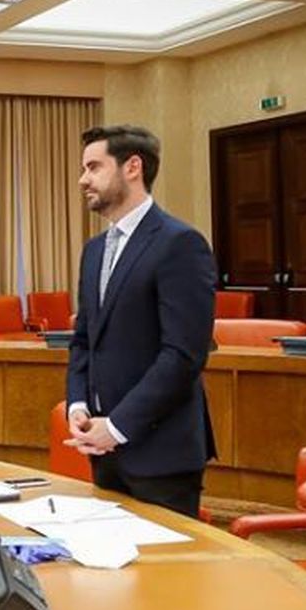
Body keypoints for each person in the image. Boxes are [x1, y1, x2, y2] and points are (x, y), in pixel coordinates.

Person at [63, 125, 216, 518]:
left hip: (161, 452)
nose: (83, 179)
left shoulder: (180, 243)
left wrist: (116, 427)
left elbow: (183, 355)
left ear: (133, 167)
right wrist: (78, 404)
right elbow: (84, 340)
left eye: (94, 167)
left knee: (166, 577)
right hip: (102, 450)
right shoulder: (94, 250)